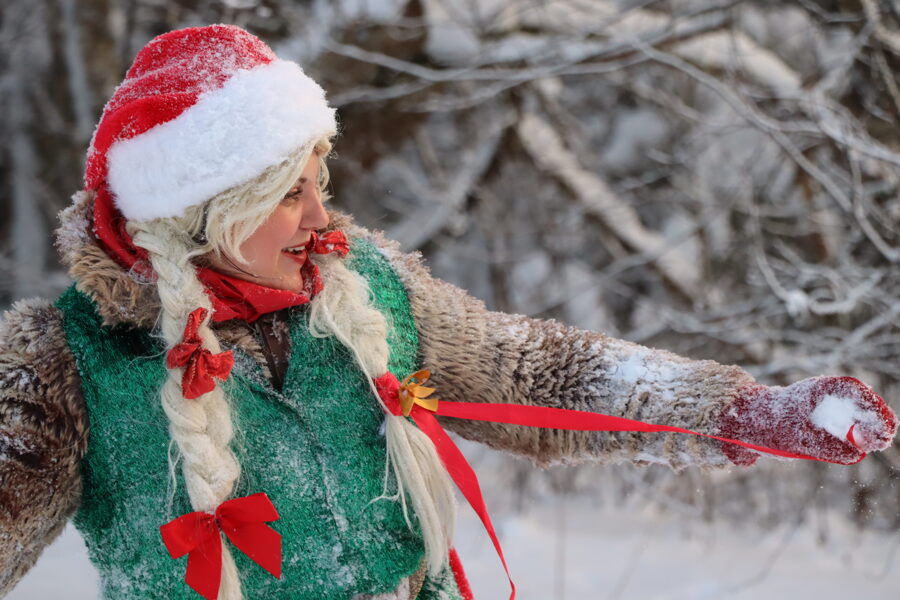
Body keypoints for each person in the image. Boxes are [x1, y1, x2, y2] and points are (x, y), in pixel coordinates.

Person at [0, 24, 895, 600]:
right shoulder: (63, 360)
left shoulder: (371, 287)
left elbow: (533, 370)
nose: (323, 219)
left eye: (321, 183)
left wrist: (736, 411)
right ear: (196, 218)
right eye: (287, 198)